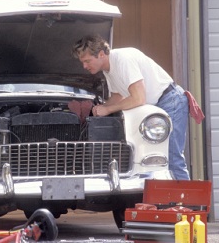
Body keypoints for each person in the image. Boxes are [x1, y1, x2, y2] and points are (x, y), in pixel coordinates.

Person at [71, 34, 190, 180]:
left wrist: (107, 110)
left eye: (87, 61)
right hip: (153, 107)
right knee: (145, 158)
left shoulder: (123, 59)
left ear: (101, 54)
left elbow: (139, 98)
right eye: (82, 62)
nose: (84, 66)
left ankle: (186, 202)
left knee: (171, 157)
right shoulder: (108, 70)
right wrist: (95, 110)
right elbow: (117, 96)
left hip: (170, 101)